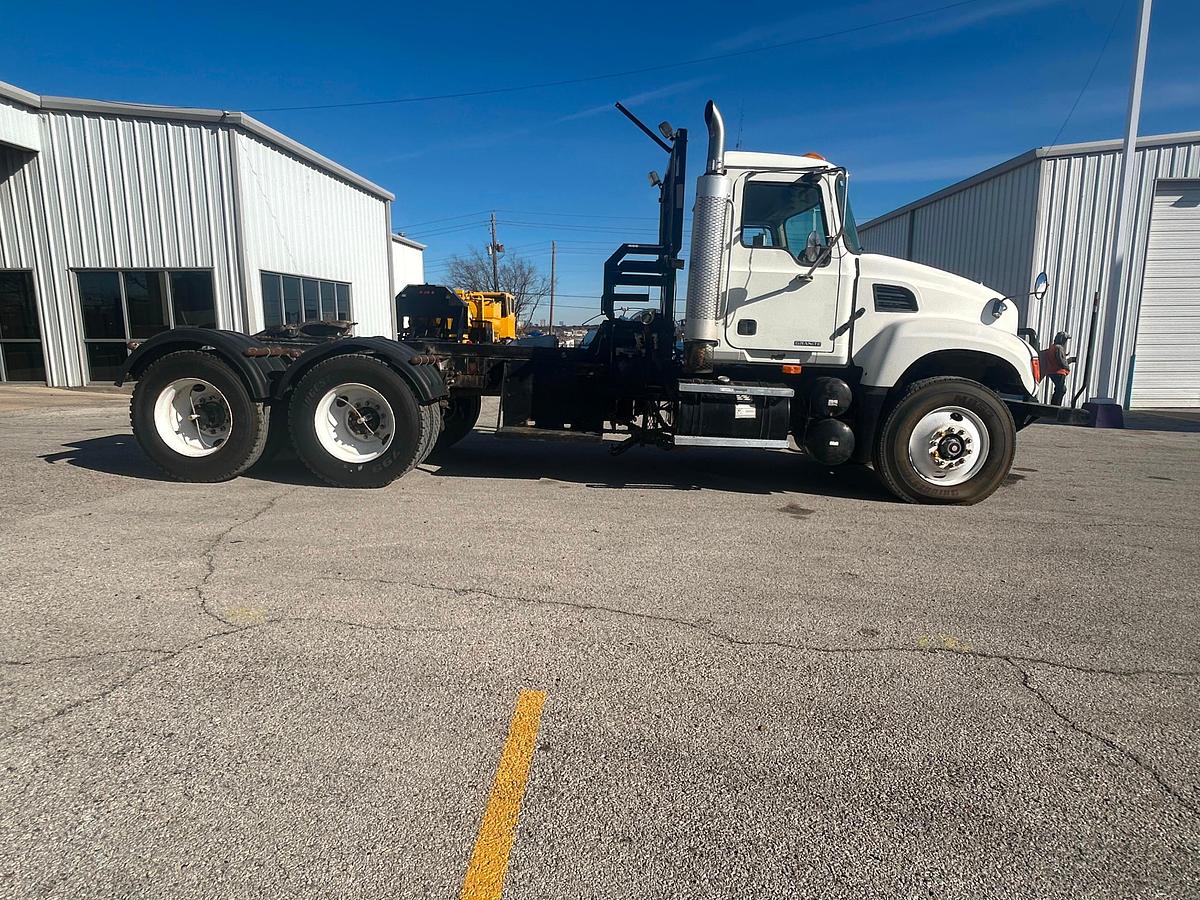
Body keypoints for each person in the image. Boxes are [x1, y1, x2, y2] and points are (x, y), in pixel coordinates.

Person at [1039, 332, 1077, 406]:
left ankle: (1055, 404)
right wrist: (1068, 366)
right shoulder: (1058, 348)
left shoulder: (1052, 347)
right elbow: (1061, 361)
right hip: (1059, 372)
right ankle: (1055, 405)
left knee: (1062, 389)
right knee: (1060, 390)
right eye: (1065, 340)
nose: (1066, 342)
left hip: (1052, 371)